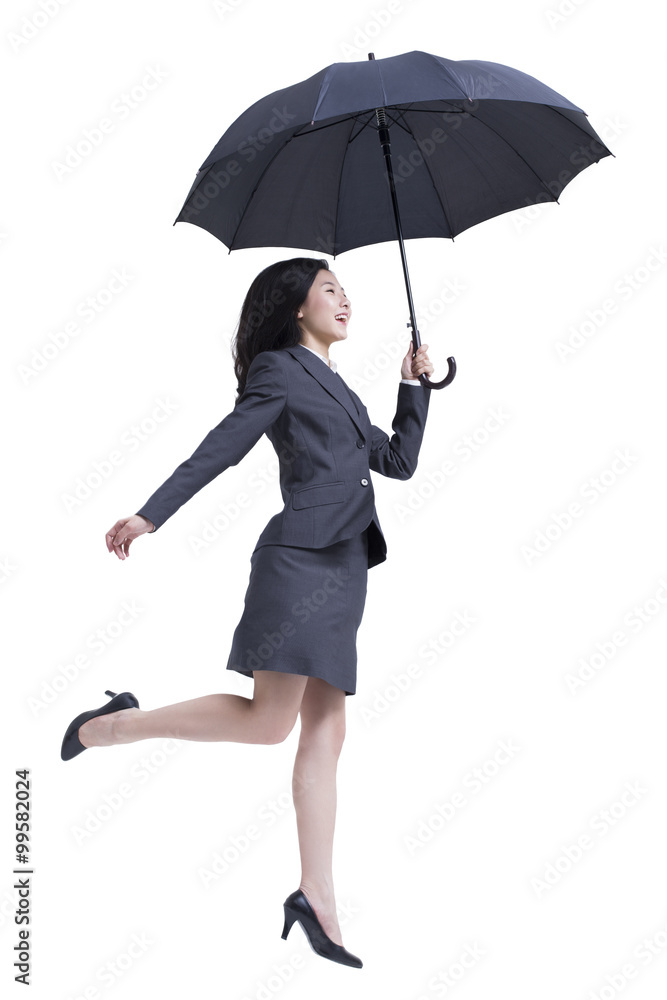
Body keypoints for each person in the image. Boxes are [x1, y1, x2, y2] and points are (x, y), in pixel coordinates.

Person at [60, 257, 435, 968]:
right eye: (328, 288)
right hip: (299, 563)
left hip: (346, 567)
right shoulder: (278, 371)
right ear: (295, 306)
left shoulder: (340, 388)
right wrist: (150, 514)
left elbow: (397, 462)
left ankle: (316, 898)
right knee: (270, 726)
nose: (343, 298)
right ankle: (112, 725)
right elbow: (223, 447)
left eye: (344, 288)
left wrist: (412, 387)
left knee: (326, 729)